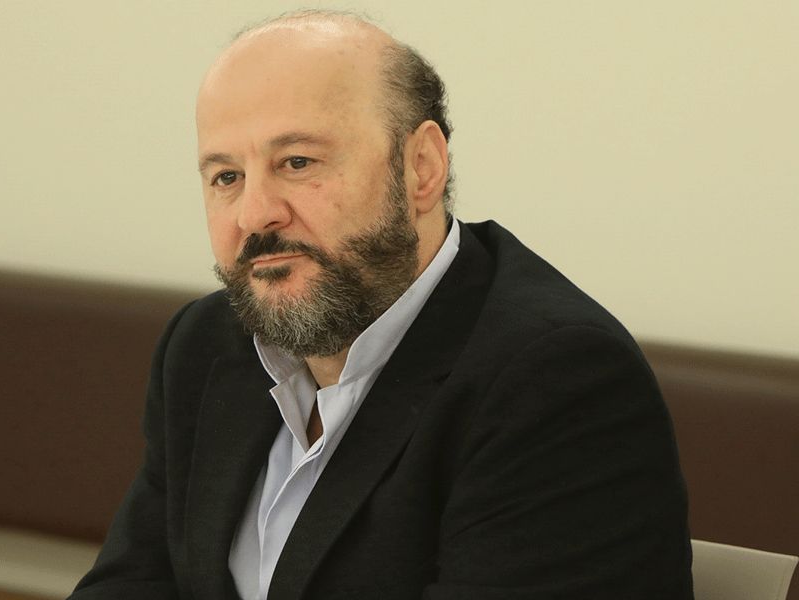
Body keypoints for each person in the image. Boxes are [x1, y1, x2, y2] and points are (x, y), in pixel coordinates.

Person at [70, 10, 692, 600]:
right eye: (226, 177)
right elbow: (131, 583)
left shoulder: (556, 379)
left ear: (421, 167)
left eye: (297, 162)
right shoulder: (205, 342)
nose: (255, 214)